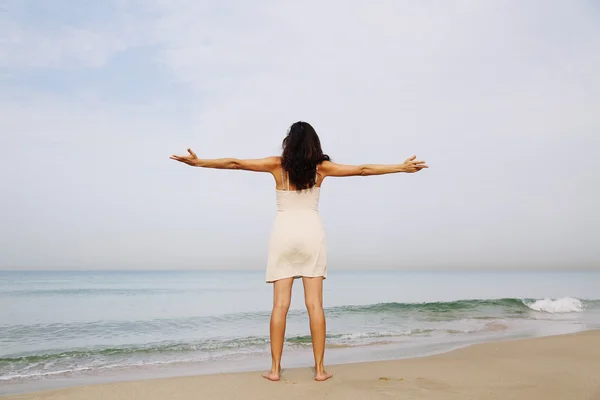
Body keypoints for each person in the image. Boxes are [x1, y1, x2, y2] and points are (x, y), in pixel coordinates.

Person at [170, 121, 428, 382]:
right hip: (311, 234)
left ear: (288, 142)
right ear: (314, 144)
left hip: (283, 235)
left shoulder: (276, 165)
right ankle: (319, 370)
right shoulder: (321, 169)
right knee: (314, 305)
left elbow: (235, 163)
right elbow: (362, 170)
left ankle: (274, 369)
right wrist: (400, 167)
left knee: (280, 305)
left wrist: (199, 162)